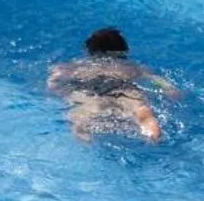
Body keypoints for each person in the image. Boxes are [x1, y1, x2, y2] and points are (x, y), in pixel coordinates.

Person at [47, 27, 182, 144]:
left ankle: (87, 144)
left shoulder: (75, 66)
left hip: (91, 94)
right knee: (143, 113)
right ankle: (153, 138)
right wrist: (170, 89)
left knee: (81, 122)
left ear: (89, 50)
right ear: (125, 50)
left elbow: (53, 84)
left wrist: (58, 87)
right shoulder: (134, 67)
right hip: (125, 92)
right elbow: (157, 80)